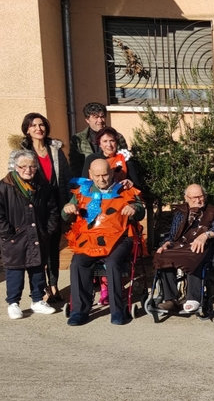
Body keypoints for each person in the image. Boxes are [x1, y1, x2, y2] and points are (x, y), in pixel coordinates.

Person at [63, 159, 145, 326]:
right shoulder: (82, 191)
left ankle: (117, 310)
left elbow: (140, 210)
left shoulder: (124, 189)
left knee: (113, 263)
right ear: (90, 175)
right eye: (97, 175)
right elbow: (66, 215)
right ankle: (79, 311)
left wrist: (134, 208)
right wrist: (68, 209)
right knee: (78, 262)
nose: (101, 179)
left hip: (120, 238)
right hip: (90, 238)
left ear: (112, 172)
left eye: (105, 175)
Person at [8, 113, 71, 302]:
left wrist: (68, 202)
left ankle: (54, 285)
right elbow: (14, 181)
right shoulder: (20, 152)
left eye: (41, 124)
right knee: (37, 249)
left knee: (53, 247)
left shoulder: (55, 150)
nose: (38, 128)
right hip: (33, 206)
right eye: (33, 125)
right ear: (27, 129)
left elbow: (66, 178)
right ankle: (41, 288)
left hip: (54, 205)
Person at [1, 151, 59, 319]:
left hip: (38, 236)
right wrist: (8, 234)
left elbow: (53, 211)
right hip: (14, 238)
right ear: (15, 167)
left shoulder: (43, 186)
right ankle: (13, 303)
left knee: (38, 269)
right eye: (23, 166)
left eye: (32, 166)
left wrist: (47, 231)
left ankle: (37, 300)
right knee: (15, 271)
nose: (28, 170)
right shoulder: (4, 187)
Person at [153, 184, 214, 315]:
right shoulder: (180, 213)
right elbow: (173, 235)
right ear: (186, 198)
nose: (198, 200)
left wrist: (205, 235)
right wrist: (166, 243)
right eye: (194, 197)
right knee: (163, 256)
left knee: (195, 254)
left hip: (205, 246)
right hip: (181, 245)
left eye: (201, 196)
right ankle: (170, 299)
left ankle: (193, 298)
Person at [70, 102, 127, 178]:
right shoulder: (78, 140)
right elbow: (75, 166)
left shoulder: (117, 137)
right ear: (87, 120)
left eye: (102, 116)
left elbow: (124, 160)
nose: (100, 120)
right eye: (96, 117)